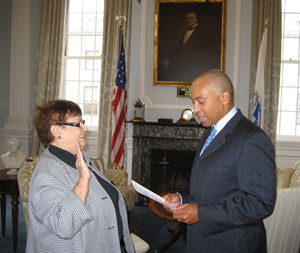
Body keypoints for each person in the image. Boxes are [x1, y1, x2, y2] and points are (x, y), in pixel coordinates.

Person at [163, 69, 276, 252]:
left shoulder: (252, 139)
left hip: (232, 244)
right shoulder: (209, 132)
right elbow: (211, 187)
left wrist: (200, 213)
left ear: (224, 97)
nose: (195, 109)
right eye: (193, 102)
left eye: (201, 101)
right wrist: (181, 197)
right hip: (202, 242)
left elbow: (260, 203)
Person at [26, 100, 134, 253]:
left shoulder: (80, 157)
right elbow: (63, 225)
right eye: (78, 124)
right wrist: (83, 180)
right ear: (56, 131)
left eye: (83, 122)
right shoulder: (47, 173)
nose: (85, 128)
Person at [159, 11, 220, 81]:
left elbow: (208, 51)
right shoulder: (184, 32)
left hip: (196, 67)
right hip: (183, 66)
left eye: (191, 18)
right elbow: (178, 48)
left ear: (197, 19)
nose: (188, 20)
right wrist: (169, 59)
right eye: (187, 18)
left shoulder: (203, 33)